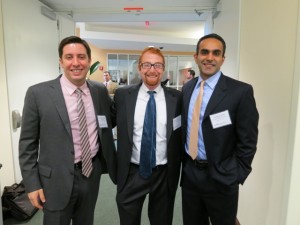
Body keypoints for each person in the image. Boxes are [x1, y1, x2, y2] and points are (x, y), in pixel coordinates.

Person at [19, 36, 117, 225]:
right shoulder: (38, 94)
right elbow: (27, 145)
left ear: (89, 61)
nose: (76, 63)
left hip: (91, 173)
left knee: (86, 220)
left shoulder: (99, 91)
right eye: (69, 57)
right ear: (60, 61)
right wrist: (32, 184)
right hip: (55, 178)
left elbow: (107, 123)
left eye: (81, 57)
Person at [181, 33, 259, 225]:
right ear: (196, 56)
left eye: (216, 53)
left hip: (222, 178)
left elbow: (248, 140)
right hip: (191, 175)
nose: (210, 57)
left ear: (223, 59)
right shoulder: (188, 88)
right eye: (204, 52)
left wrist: (236, 174)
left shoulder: (240, 92)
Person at [113, 47, 182, 225]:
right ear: (139, 68)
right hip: (132, 171)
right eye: (147, 64)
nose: (152, 69)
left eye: (157, 65)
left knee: (162, 221)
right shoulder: (123, 96)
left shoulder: (177, 98)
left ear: (164, 68)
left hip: (164, 174)